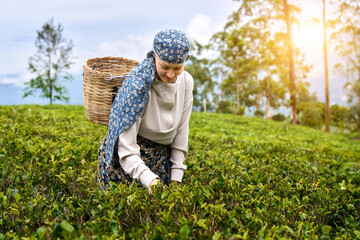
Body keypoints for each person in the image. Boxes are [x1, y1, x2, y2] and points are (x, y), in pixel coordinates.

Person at [97, 29, 193, 194]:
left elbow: (182, 130)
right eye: (165, 67)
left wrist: (177, 175)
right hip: (127, 160)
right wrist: (149, 179)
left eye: (178, 68)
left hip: (161, 157)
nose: (171, 74)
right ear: (154, 56)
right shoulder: (138, 85)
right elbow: (126, 147)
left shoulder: (186, 81)